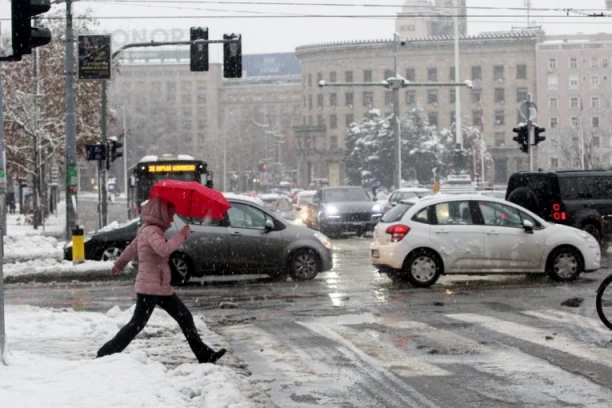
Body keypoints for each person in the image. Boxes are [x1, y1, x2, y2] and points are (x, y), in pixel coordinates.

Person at [96, 197, 226, 364]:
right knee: (137, 324)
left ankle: (204, 355)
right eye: (170, 215)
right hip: (151, 288)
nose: (172, 219)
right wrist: (181, 236)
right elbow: (163, 250)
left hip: (158, 286)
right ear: (161, 214)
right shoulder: (152, 231)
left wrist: (118, 265)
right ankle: (106, 353)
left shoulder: (147, 229)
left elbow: (131, 248)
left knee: (182, 317)